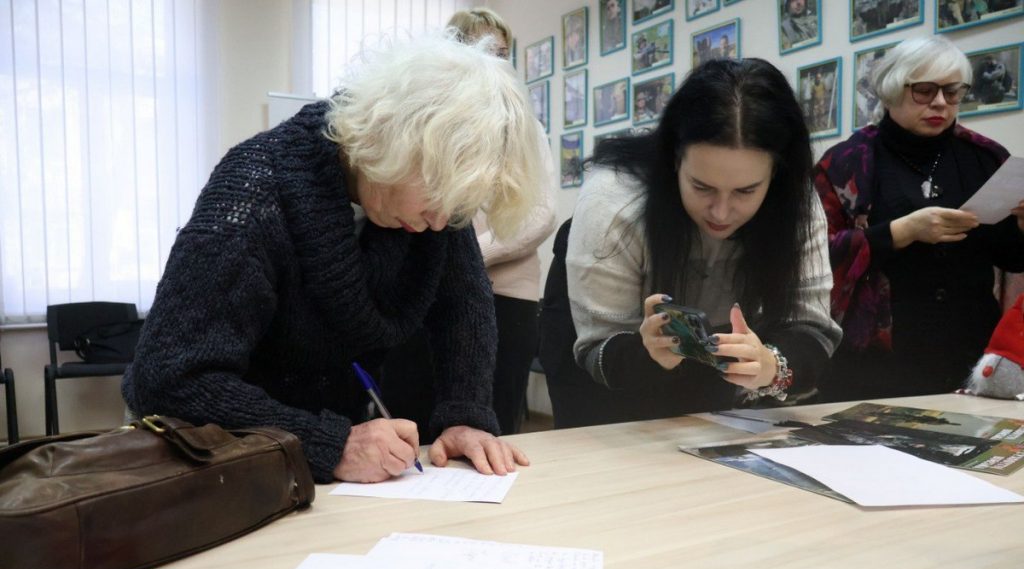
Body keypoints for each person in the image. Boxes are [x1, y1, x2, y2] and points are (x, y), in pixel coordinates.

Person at [122, 33, 543, 483]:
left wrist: (465, 414)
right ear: (391, 140)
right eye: (438, 199)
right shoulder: (256, 188)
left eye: (458, 208)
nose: (440, 223)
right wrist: (327, 442)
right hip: (224, 467)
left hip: (325, 469)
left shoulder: (428, 201)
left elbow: (464, 303)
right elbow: (168, 380)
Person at [539, 59, 841, 428]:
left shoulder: (795, 200)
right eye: (702, 187)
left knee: (709, 439)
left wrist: (770, 364)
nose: (722, 212)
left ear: (776, 175)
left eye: (746, 191)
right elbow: (597, 349)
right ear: (674, 161)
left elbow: (811, 329)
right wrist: (646, 353)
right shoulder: (614, 199)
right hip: (611, 345)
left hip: (705, 348)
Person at [814, 35, 1024, 402]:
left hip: (970, 352)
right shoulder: (846, 163)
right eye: (924, 91)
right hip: (875, 362)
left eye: (953, 91)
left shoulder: (986, 157)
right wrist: (901, 232)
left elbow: (1012, 257)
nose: (940, 103)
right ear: (893, 91)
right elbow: (815, 257)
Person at [379, 9, 557, 438]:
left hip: (507, 295)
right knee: (416, 412)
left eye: (502, 53)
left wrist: (469, 259)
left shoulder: (526, 128)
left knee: (494, 419)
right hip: (428, 289)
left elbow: (541, 212)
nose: (494, 62)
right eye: (481, 50)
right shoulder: (427, 121)